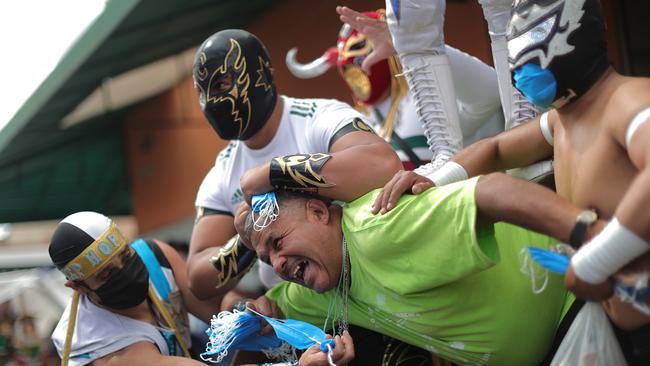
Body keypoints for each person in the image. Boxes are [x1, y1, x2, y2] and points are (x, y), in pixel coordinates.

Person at [372, 0, 650, 363]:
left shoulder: (626, 99)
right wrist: (436, 179)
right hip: (619, 328)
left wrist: (597, 259)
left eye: (529, 37)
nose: (517, 66)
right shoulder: (562, 119)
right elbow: (498, 149)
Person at [234, 171, 607, 365]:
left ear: (319, 213)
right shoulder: (318, 282)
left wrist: (590, 233)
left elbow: (493, 191)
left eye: (278, 243)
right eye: (267, 260)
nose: (278, 264)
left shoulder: (379, 228)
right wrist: (254, 310)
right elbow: (268, 311)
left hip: (579, 310)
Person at [188, 29, 401, 300]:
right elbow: (197, 279)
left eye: (221, 84)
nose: (211, 101)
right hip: (303, 316)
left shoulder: (319, 118)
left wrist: (275, 172)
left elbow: (382, 165)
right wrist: (245, 242)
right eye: (201, 93)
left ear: (259, 73)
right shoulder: (222, 172)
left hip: (374, 284)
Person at [286, 9, 504, 170]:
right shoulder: (346, 122)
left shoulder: (427, 95)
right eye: (348, 67)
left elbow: (491, 93)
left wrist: (412, 47)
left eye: (359, 57)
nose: (357, 71)